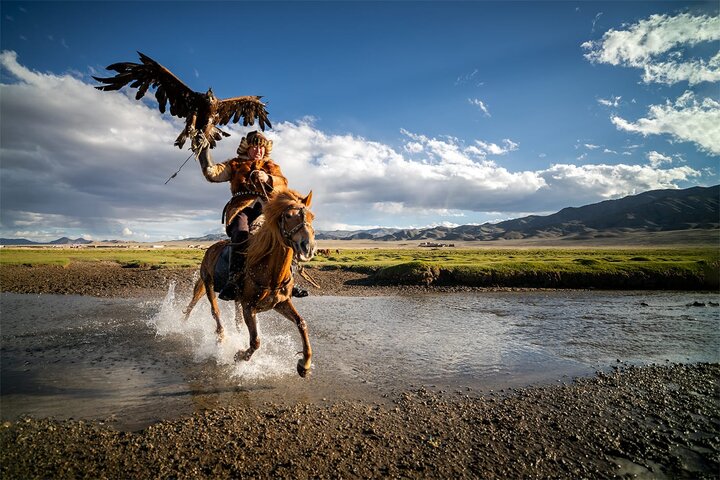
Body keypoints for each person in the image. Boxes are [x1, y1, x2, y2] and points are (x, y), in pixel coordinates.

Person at [197, 131, 309, 300]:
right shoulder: (235, 164)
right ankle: (233, 280)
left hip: (266, 211)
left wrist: (268, 178)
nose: (258, 150)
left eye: (261, 147)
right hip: (241, 210)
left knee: (283, 236)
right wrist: (204, 151)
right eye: (254, 146)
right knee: (241, 234)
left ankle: (289, 280)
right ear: (247, 148)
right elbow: (212, 174)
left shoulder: (272, 167)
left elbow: (283, 185)